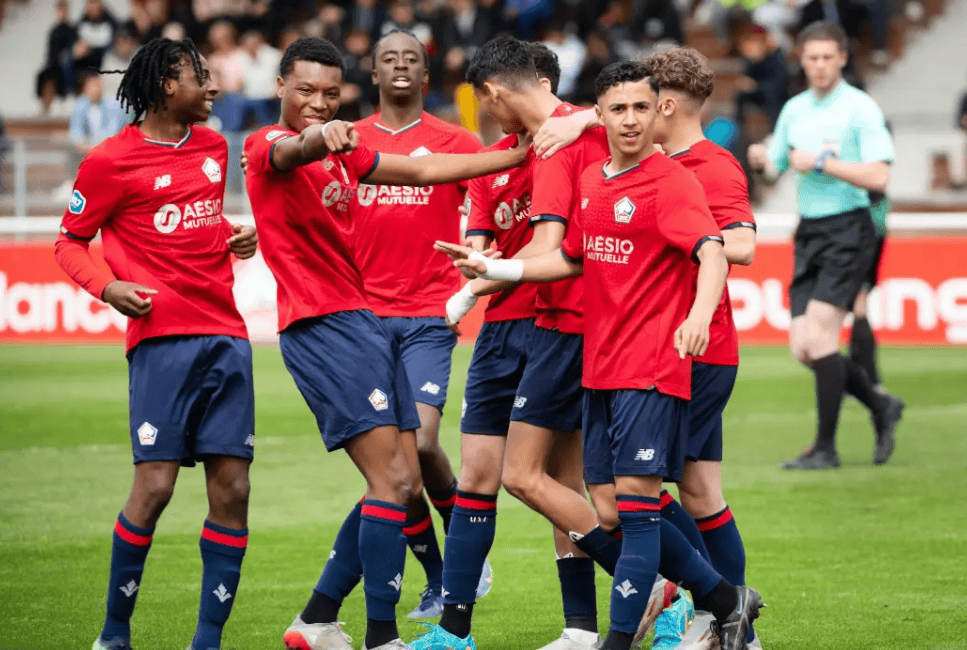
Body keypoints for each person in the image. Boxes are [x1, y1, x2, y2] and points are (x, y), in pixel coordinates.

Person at [434, 60, 764, 650]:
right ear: (600, 116)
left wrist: (696, 316)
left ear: (658, 112)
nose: (630, 119)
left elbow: (715, 250)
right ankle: (723, 601)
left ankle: (631, 632)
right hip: (600, 367)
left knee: (639, 507)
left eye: (641, 108)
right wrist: (492, 272)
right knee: (613, 508)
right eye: (618, 109)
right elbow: (570, 259)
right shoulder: (594, 180)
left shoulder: (674, 181)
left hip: (651, 366)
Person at [242, 37, 528, 650]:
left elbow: (422, 171)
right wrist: (322, 136)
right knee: (393, 479)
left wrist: (513, 156)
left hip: (362, 321)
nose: (318, 102)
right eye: (305, 91)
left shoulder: (349, 157)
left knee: (400, 477)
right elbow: (293, 149)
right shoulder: (267, 143)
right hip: (325, 324)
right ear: (280, 88)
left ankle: (322, 617)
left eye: (328, 94)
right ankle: (376, 634)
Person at [53, 37, 259, 650]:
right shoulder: (109, 161)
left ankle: (207, 643)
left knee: (234, 490)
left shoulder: (214, 147)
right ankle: (114, 635)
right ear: (169, 84)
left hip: (225, 335)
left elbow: (195, 222)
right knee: (156, 488)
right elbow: (68, 241)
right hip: (161, 342)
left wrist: (234, 236)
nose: (214, 87)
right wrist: (107, 287)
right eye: (201, 76)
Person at [410, 36, 611, 650]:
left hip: (558, 324)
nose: (490, 114)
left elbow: (646, 115)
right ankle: (454, 631)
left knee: (557, 481)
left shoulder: (577, 137)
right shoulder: (493, 162)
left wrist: (587, 118)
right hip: (501, 329)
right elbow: (479, 237)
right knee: (477, 473)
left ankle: (589, 621)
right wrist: (475, 263)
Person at [351, 28, 489, 620]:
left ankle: (463, 546)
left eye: (411, 58)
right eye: (389, 58)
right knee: (395, 465)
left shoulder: (457, 142)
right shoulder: (350, 141)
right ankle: (440, 575)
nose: (401, 66)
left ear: (426, 76)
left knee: (423, 441)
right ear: (373, 73)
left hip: (430, 313)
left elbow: (489, 206)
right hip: (364, 319)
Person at [747, 21, 904, 470]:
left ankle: (825, 448)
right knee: (803, 346)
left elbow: (879, 176)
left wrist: (822, 162)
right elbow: (774, 169)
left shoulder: (860, 108)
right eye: (811, 58)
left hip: (849, 228)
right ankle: (880, 403)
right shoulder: (795, 109)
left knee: (819, 336)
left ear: (842, 59)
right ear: (801, 59)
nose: (818, 65)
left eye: (826, 58)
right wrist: (760, 161)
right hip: (810, 231)